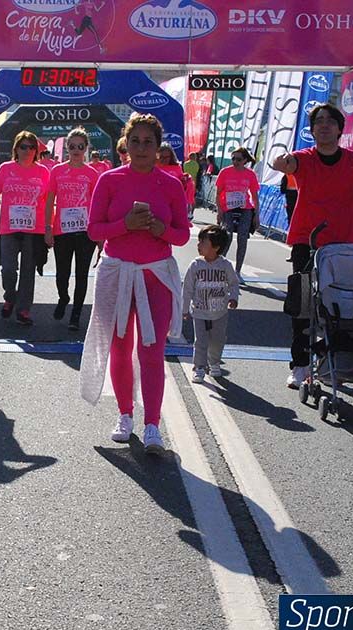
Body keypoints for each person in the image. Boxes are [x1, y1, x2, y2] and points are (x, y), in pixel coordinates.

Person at [80, 113, 190, 450]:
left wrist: (161, 230)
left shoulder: (171, 184)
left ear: (158, 147)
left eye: (148, 142)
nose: (141, 148)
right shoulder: (110, 180)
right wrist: (125, 224)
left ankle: (153, 423)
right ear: (125, 144)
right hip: (117, 272)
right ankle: (125, 414)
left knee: (152, 350)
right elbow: (94, 229)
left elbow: (183, 235)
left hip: (155, 274)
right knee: (120, 347)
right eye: (136, 141)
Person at [272, 102, 353, 389]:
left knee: (343, 305)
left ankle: (338, 362)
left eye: (331, 121)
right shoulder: (304, 159)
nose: (325, 125)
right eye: (319, 121)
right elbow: (282, 163)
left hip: (346, 244)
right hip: (307, 242)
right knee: (303, 305)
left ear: (341, 129)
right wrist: (280, 161)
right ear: (312, 129)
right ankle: (300, 364)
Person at [0, 131, 51, 326]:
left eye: (32, 147)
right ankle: (9, 296)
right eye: (24, 146)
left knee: (28, 271)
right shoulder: (6, 169)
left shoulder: (43, 172)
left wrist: (49, 228)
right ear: (16, 148)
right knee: (8, 269)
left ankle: (23, 309)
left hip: (34, 229)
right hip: (9, 228)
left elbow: (49, 202)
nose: (28, 150)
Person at [44, 127, 100, 331]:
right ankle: (63, 296)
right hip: (62, 230)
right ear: (66, 147)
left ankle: (76, 314)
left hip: (85, 232)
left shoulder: (92, 174)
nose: (76, 150)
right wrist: (48, 228)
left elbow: (97, 204)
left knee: (82, 274)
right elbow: (50, 199)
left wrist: (99, 233)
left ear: (86, 148)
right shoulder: (57, 171)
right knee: (62, 273)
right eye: (72, 146)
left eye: (80, 146)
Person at [183, 225, 239, 383]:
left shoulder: (225, 266)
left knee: (218, 340)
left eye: (203, 242)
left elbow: (234, 283)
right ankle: (199, 367)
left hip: (219, 312)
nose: (198, 245)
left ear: (216, 247)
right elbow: (187, 288)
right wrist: (185, 309)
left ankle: (214, 362)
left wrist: (233, 298)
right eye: (199, 241)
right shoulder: (195, 265)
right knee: (200, 341)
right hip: (200, 311)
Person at [215, 147, 260, 279]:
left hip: (245, 207)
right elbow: (218, 194)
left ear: (245, 160)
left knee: (242, 238)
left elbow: (255, 196)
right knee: (226, 236)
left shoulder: (250, 174)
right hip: (228, 208)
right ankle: (219, 267)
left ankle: (238, 271)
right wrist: (219, 211)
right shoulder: (225, 172)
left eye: (239, 159)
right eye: (233, 158)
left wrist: (256, 215)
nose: (235, 161)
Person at [158, 144, 195, 220]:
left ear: (171, 157)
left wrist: (186, 181)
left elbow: (182, 186)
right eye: (161, 157)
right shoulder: (152, 167)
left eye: (166, 157)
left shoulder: (177, 167)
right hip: (157, 203)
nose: (164, 159)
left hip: (174, 204)